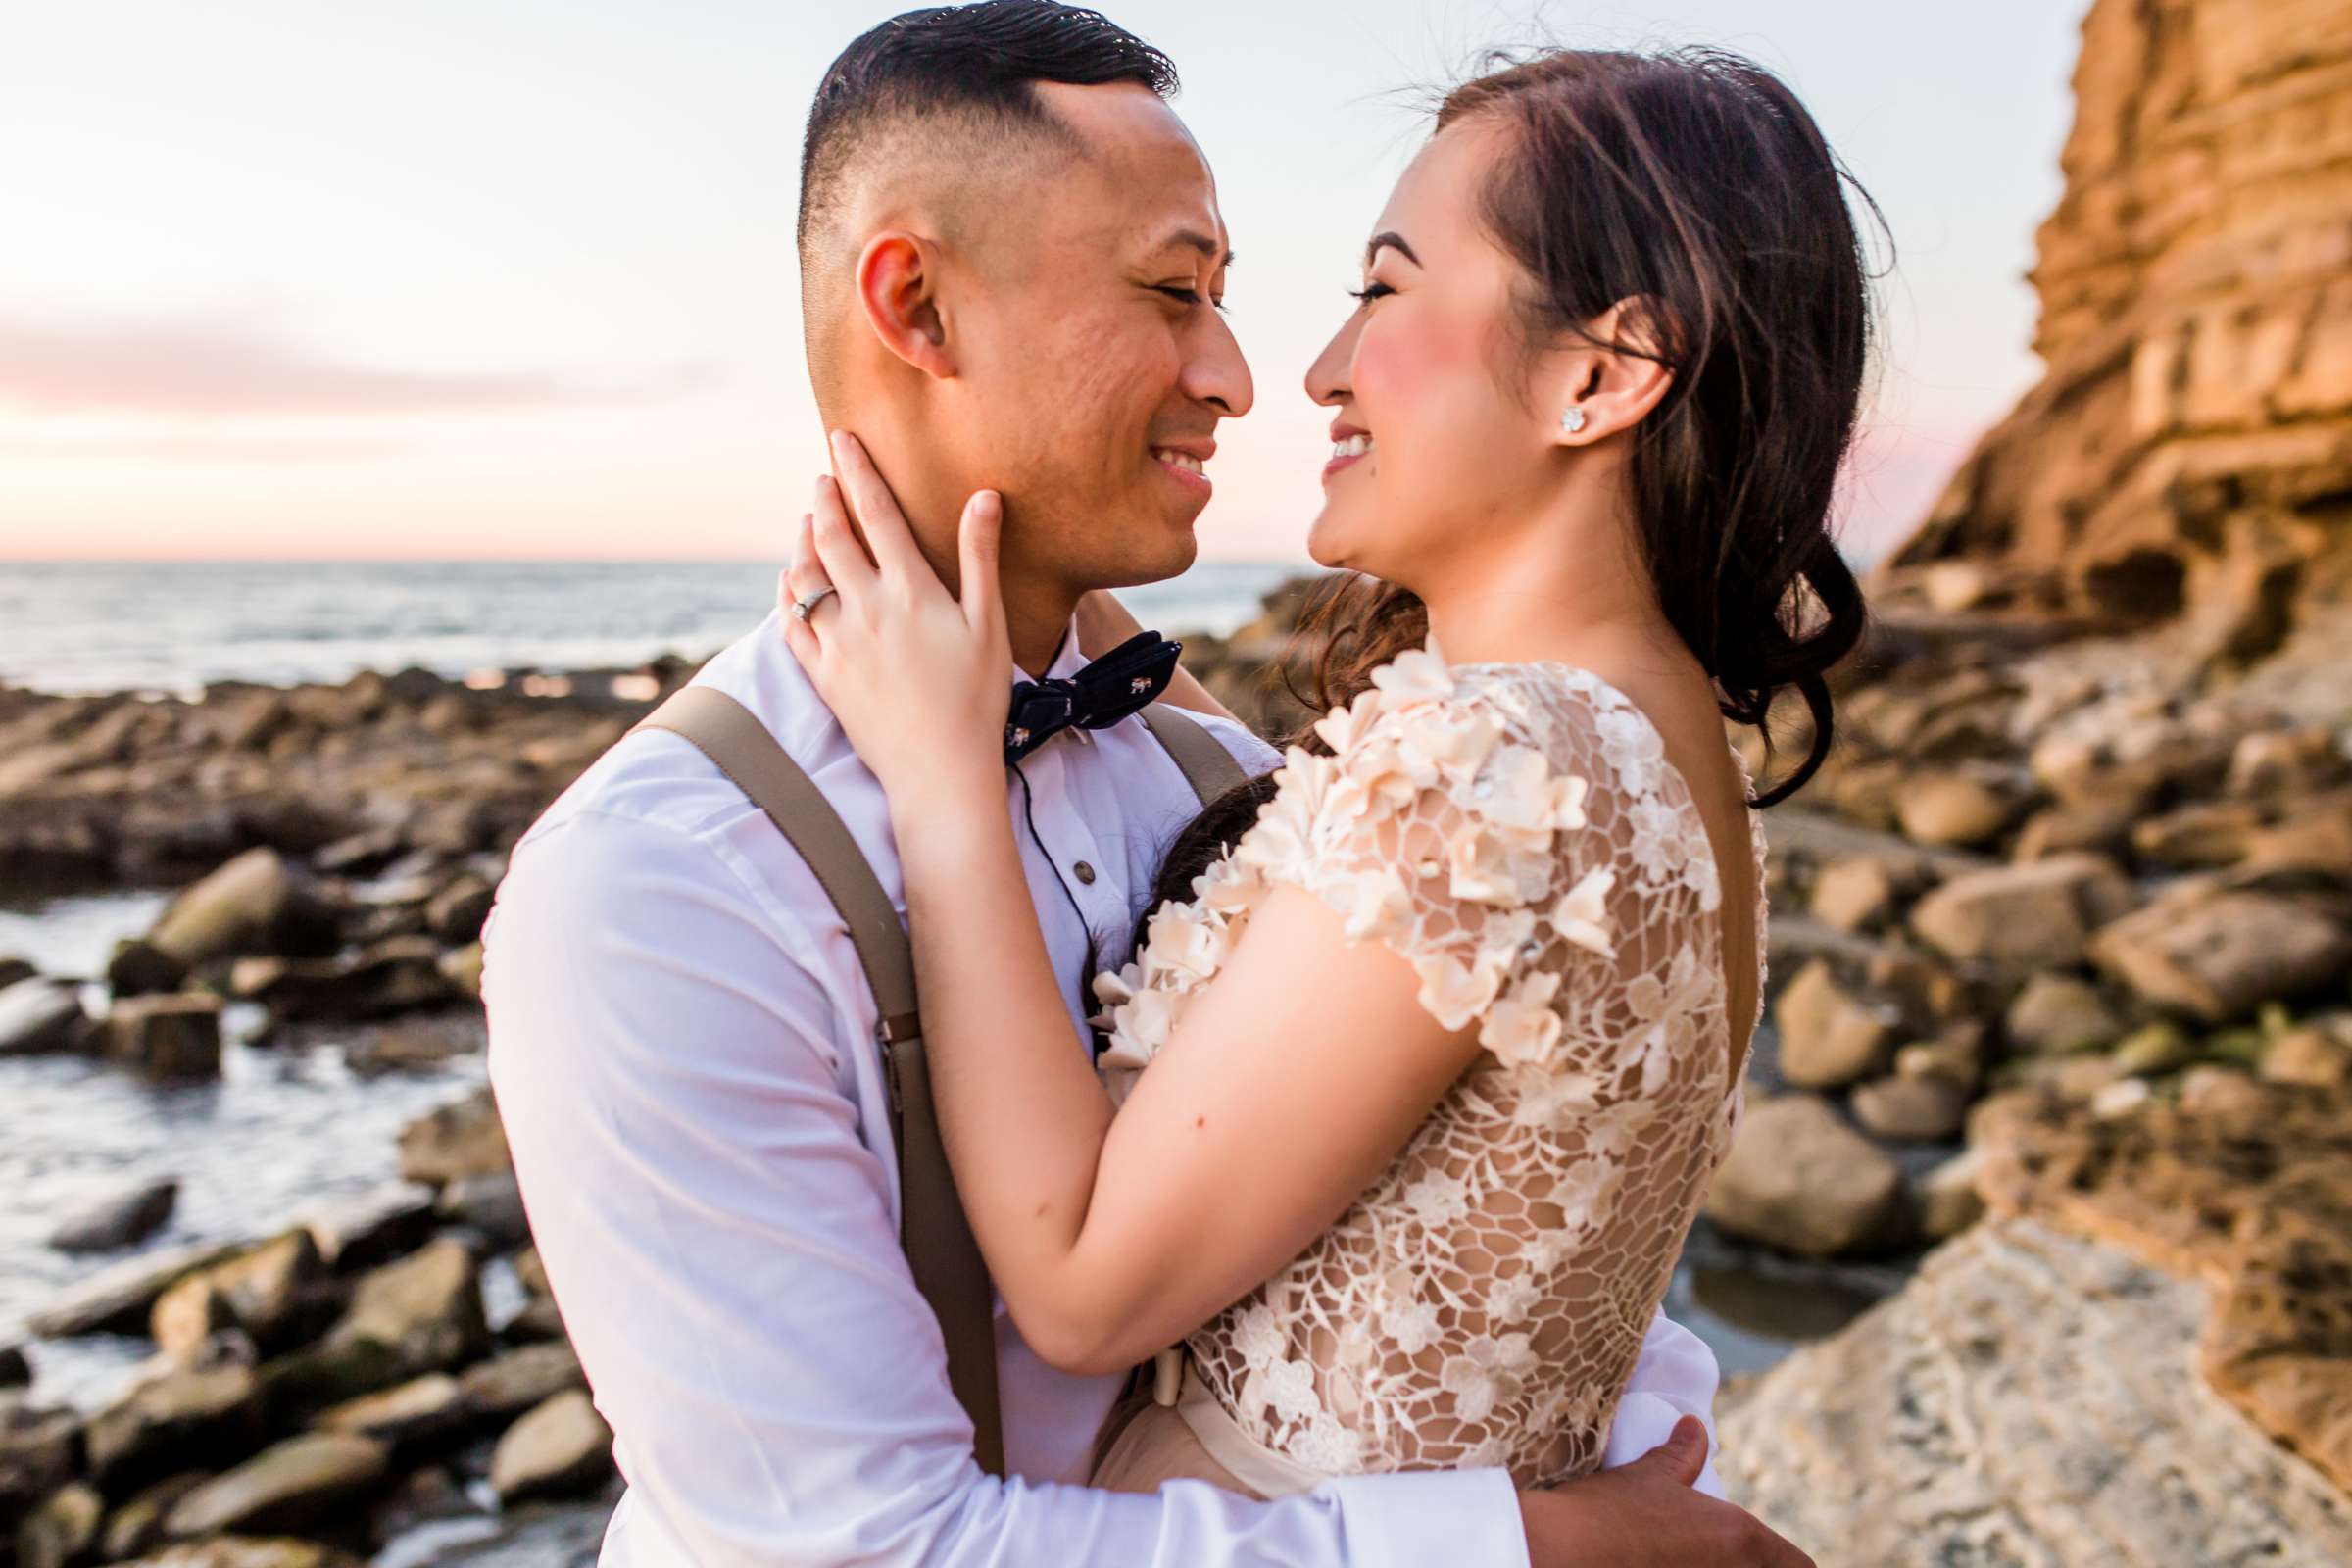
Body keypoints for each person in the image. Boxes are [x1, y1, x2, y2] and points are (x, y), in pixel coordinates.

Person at [485, 4, 1817, 1565]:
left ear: (1601, 379)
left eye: (1294, 297)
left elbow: (1507, 1209)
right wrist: (1535, 1546)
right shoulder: (656, 891)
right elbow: (859, 1552)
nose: (1251, 377)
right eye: (1176, 294)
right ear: (915, 305)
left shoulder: (1272, 777)